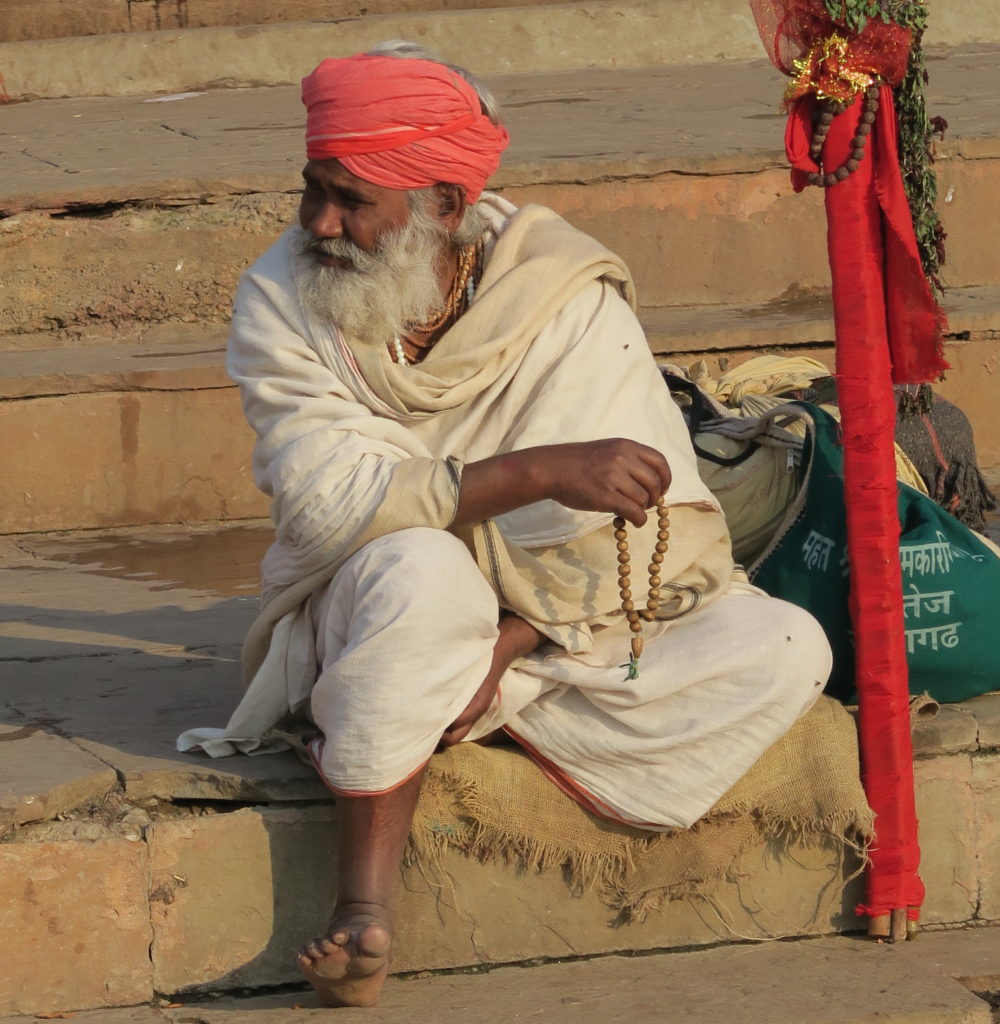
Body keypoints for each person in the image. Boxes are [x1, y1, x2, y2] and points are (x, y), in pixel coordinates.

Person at [178, 41, 832, 1008]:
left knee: (784, 643)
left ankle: (459, 699)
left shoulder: (559, 289)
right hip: (376, 593)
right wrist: (535, 473)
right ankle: (364, 907)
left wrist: (519, 638)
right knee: (420, 578)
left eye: (351, 199)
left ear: (443, 207)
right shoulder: (282, 295)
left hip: (547, 624)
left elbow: (670, 534)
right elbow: (332, 504)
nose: (319, 222)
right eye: (313, 189)